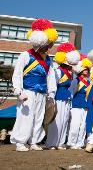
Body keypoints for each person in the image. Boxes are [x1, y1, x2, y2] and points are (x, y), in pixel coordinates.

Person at [10, 19, 58, 152]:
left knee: (38, 117)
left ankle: (34, 141)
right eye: (47, 44)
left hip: (42, 92)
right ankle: (20, 142)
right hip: (27, 91)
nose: (49, 47)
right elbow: (17, 73)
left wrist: (51, 94)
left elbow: (50, 78)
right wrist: (18, 90)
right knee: (25, 117)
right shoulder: (26, 55)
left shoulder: (48, 59)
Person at [45, 43, 80, 150]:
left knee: (64, 121)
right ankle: (51, 143)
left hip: (67, 100)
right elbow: (52, 84)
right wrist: (51, 98)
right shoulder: (58, 71)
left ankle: (60, 142)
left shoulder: (70, 74)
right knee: (56, 122)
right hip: (58, 98)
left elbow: (72, 88)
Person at [67, 54, 93, 149]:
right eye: (85, 69)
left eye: (87, 69)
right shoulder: (76, 81)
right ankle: (71, 143)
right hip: (76, 105)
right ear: (80, 70)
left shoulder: (90, 82)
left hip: (86, 106)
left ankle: (80, 143)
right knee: (75, 125)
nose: (87, 70)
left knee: (83, 126)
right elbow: (71, 93)